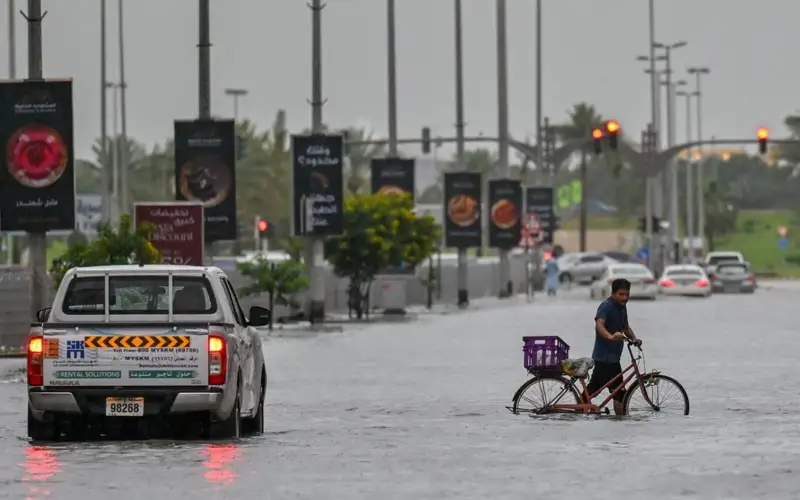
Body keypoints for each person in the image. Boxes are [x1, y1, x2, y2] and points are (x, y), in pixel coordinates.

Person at [586, 278, 643, 415]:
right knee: (613, 391)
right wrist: (610, 336)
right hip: (604, 357)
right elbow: (599, 325)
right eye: (621, 294)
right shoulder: (607, 306)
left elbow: (625, 327)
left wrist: (634, 339)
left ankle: (618, 420)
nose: (625, 298)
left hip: (613, 358)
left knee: (613, 391)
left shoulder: (622, 307)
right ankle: (580, 409)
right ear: (613, 294)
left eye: (627, 294)